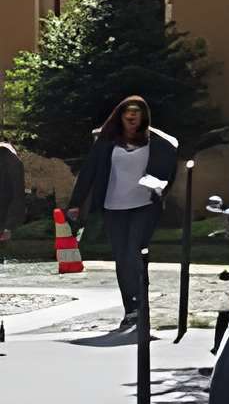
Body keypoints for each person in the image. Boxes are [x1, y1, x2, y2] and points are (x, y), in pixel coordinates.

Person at [69, 94, 179, 334]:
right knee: (122, 258)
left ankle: (141, 304)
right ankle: (131, 308)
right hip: (113, 207)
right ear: (120, 116)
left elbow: (170, 169)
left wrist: (162, 189)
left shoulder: (156, 141)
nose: (131, 115)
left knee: (133, 251)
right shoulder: (108, 140)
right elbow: (89, 170)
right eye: (127, 111)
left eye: (137, 111)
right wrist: (76, 202)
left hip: (144, 206)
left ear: (143, 117)